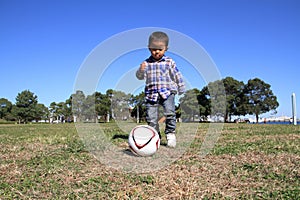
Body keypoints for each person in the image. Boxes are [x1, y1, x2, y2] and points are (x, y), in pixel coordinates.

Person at [136, 31, 185, 148]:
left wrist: (181, 87)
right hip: (151, 94)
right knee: (151, 117)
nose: (156, 52)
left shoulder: (169, 62)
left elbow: (177, 75)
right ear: (149, 48)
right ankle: (155, 136)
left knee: (170, 113)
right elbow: (139, 77)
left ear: (166, 49)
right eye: (153, 49)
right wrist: (141, 70)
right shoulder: (146, 63)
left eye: (160, 49)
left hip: (168, 92)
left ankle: (170, 133)